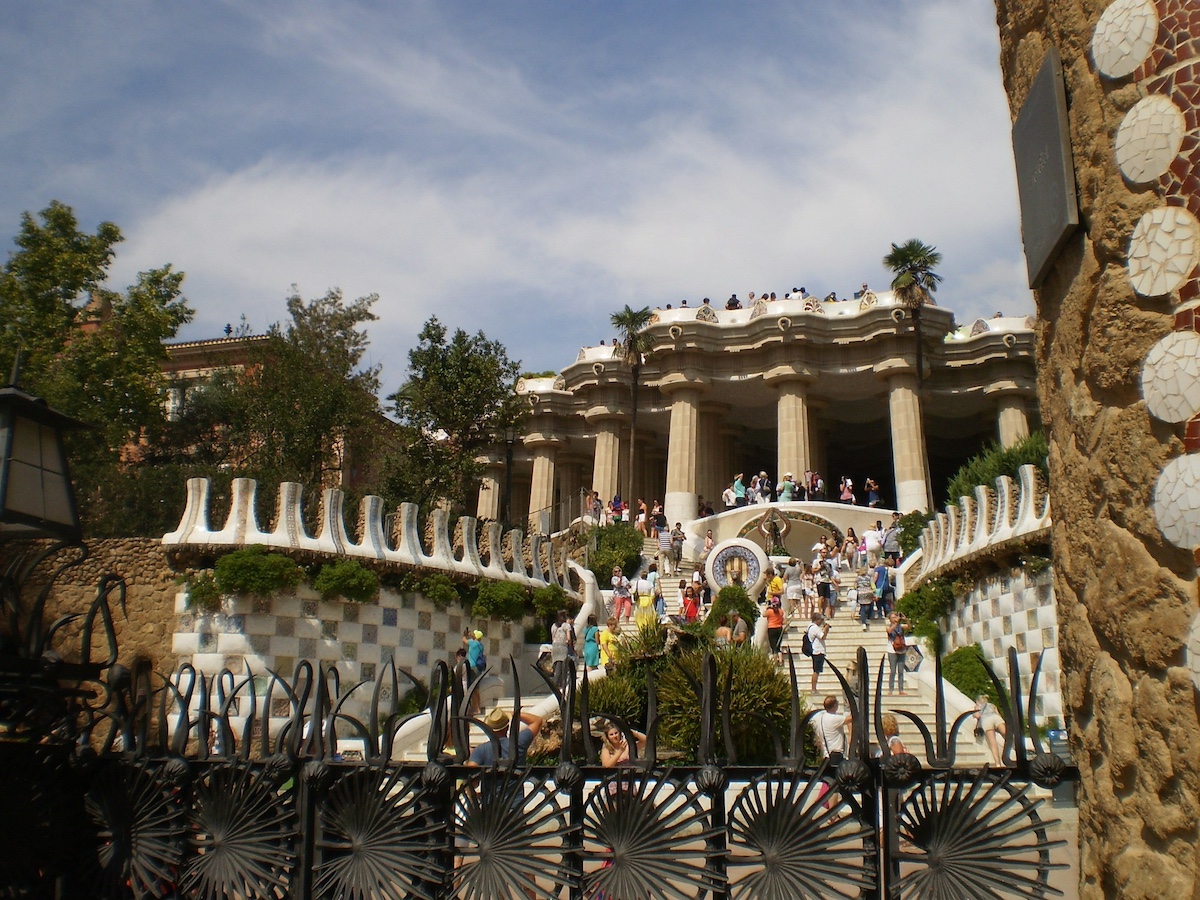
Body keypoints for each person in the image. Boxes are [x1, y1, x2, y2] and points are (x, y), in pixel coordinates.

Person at [467, 708, 544, 767]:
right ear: (507, 727)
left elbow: (472, 779)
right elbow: (537, 720)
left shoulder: (480, 750)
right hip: (516, 788)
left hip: (491, 788)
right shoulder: (519, 742)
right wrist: (513, 714)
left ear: (488, 729)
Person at [974, 695, 1007, 766]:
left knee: (993, 743)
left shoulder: (977, 706)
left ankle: (998, 763)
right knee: (1006, 733)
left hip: (986, 721)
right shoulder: (992, 705)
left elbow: (977, 716)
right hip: (996, 718)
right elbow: (998, 714)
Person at [886, 613, 910, 695]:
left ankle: (901, 689)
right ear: (890, 619)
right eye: (893, 617)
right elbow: (889, 631)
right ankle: (891, 689)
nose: (895, 618)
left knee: (901, 671)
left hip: (901, 650)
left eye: (895, 617)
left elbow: (909, 626)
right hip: (892, 650)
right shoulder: (888, 626)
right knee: (893, 671)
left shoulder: (901, 626)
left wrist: (905, 619)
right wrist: (896, 623)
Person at [550, 610, 572, 691]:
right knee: (563, 668)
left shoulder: (553, 626)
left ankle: (555, 685)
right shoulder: (566, 626)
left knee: (556, 666)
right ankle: (561, 686)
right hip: (563, 647)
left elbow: (553, 638)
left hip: (555, 646)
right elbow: (569, 638)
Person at [807, 613, 829, 693]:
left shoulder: (810, 626)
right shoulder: (815, 628)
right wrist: (826, 629)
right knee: (816, 671)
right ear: (817, 620)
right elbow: (823, 637)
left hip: (815, 650)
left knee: (817, 670)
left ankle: (814, 688)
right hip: (818, 651)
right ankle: (813, 689)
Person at [765, 598, 785, 664]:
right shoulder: (781, 611)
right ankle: (781, 661)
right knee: (778, 646)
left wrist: (767, 607)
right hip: (779, 628)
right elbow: (782, 620)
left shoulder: (769, 611)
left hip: (771, 628)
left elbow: (763, 614)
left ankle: (775, 661)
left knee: (773, 647)